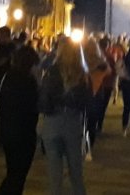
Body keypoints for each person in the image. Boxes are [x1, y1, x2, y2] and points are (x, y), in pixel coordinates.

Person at [38, 38, 88, 195]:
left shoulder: (52, 71)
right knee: (75, 169)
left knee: (54, 171)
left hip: (52, 120)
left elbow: (44, 98)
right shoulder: (82, 73)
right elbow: (87, 101)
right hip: (72, 121)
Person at [0, 46, 40, 195]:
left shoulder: (9, 77)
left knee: (13, 172)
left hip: (8, 131)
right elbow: (33, 107)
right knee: (18, 175)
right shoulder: (28, 81)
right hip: (23, 134)